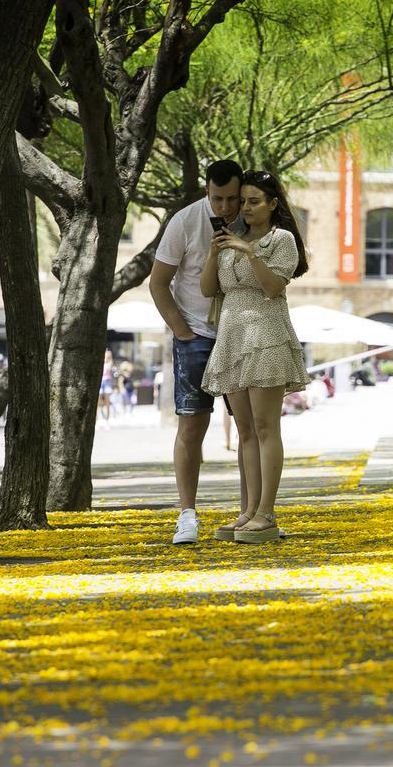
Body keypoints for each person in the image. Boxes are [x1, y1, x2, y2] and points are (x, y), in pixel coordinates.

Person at [200, 170, 309, 544]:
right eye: (242, 201)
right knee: (244, 429)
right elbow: (207, 289)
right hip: (231, 335)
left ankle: (266, 512)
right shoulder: (231, 237)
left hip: (266, 334)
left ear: (273, 204)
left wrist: (249, 252)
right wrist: (215, 253)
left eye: (253, 201)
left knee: (266, 427)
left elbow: (273, 286)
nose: (245, 208)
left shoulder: (283, 240)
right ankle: (248, 510)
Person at [149, 159, 248, 545]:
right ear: (207, 190)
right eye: (218, 199)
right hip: (196, 335)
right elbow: (159, 283)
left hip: (241, 335)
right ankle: (187, 514)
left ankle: (251, 512)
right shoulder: (184, 221)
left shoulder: (252, 218)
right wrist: (182, 332)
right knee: (192, 425)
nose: (226, 208)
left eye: (232, 200)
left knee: (249, 429)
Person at [98, 350, 115, 421]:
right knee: (99, 400)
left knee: (107, 400)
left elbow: (110, 368)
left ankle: (107, 418)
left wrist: (109, 359)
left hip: (107, 381)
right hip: (101, 381)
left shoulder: (110, 363)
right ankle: (99, 416)